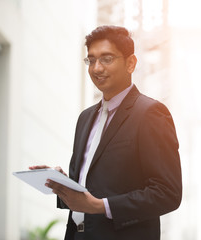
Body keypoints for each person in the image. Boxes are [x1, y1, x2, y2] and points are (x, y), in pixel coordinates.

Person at [30, 25, 182, 240]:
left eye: (106, 59)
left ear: (131, 63)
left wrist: (100, 206)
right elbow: (87, 190)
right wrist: (63, 185)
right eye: (91, 60)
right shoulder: (85, 118)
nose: (96, 68)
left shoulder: (150, 113)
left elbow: (168, 193)